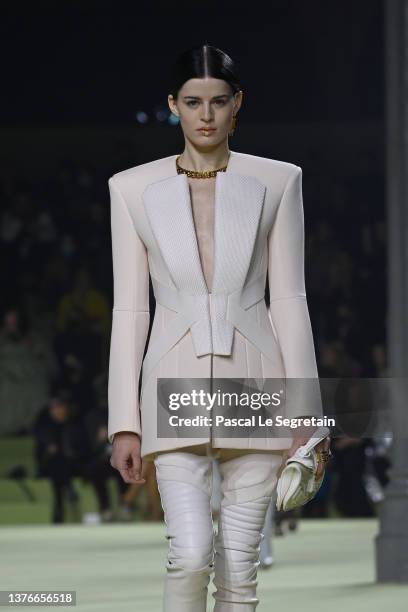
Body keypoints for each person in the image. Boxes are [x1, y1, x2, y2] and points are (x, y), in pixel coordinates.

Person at [108, 44, 331, 612]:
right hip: (172, 388)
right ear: (173, 107)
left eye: (217, 101)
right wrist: (123, 424)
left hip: (257, 385)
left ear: (237, 105)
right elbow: (130, 311)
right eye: (192, 102)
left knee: (239, 563)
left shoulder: (279, 181)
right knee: (189, 553)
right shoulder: (131, 189)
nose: (205, 115)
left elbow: (290, 300)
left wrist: (307, 419)